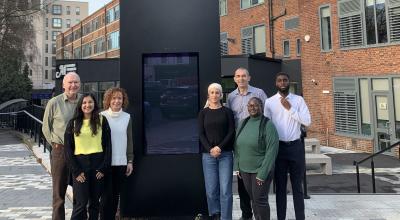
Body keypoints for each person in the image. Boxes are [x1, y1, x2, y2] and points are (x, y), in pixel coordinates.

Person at [264, 72, 311, 220]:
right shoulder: (269, 102)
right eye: (279, 80)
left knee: (298, 186)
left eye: (285, 80)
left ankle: (300, 217)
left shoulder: (298, 100)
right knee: (280, 187)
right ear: (276, 83)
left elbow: (307, 121)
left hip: (296, 147)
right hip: (279, 149)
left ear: (289, 82)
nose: (282, 82)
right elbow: (266, 126)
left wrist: (290, 108)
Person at [226, 67, 267, 220]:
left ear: (249, 78)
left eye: (244, 76)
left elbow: (267, 115)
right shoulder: (231, 97)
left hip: (257, 143)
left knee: (258, 183)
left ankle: (260, 214)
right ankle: (246, 215)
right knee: (242, 181)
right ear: (235, 79)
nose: (241, 79)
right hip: (240, 145)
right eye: (238, 76)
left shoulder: (259, 93)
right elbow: (230, 120)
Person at [64, 93, 112, 219]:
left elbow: (108, 146)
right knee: (81, 203)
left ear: (94, 104)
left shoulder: (102, 120)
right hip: (80, 166)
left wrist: (103, 168)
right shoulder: (73, 123)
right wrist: (76, 171)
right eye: (84, 103)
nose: (87, 105)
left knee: (95, 203)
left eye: (90, 102)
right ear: (80, 106)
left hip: (98, 166)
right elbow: (68, 149)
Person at [42, 72, 81, 220]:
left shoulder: (84, 100)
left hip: (81, 152)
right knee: (59, 194)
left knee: (81, 193)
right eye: (70, 82)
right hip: (61, 151)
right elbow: (46, 127)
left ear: (80, 84)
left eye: (76, 82)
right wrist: (55, 144)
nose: (73, 85)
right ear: (63, 85)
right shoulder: (54, 102)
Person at [234, 97, 279, 220]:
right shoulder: (243, 123)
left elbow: (272, 151)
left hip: (260, 171)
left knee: (260, 200)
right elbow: (237, 145)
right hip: (244, 170)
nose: (252, 107)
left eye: (255, 105)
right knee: (253, 198)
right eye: (250, 105)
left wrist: (263, 173)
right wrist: (237, 166)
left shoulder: (268, 125)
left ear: (261, 106)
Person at [198, 83, 235, 220]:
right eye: (212, 92)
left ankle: (226, 217)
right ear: (208, 95)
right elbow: (201, 134)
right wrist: (210, 149)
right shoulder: (203, 113)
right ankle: (215, 215)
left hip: (225, 155)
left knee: (225, 190)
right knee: (211, 190)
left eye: (217, 92)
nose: (214, 95)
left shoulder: (227, 112)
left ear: (221, 95)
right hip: (208, 156)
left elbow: (231, 131)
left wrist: (219, 147)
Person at [100, 87, 134, 220]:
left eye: (119, 98)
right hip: (105, 163)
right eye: (113, 98)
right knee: (105, 197)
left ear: (123, 100)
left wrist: (130, 161)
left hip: (121, 163)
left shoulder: (127, 117)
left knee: (115, 196)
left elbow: (129, 140)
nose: (116, 101)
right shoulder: (101, 116)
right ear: (108, 100)